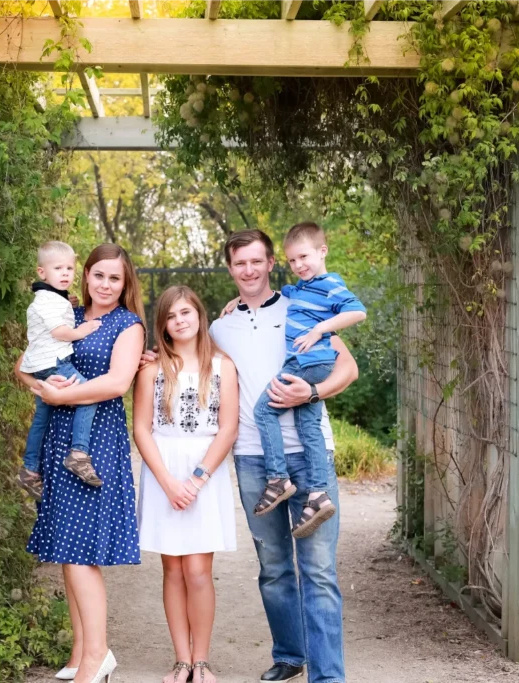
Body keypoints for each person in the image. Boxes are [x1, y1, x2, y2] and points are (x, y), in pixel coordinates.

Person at [148, 229, 356, 683]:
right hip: (252, 459)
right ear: (230, 268)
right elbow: (186, 357)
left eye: (257, 261)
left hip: (309, 453)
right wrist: (150, 359)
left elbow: (348, 367)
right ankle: (289, 654)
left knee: (318, 570)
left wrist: (314, 389)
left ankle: (328, 675)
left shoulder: (301, 308)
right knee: (274, 566)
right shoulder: (220, 328)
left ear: (269, 264)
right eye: (240, 263)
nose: (249, 270)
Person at [16, 243, 146, 683]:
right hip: (59, 440)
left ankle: (98, 656)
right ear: (85, 276)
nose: (106, 284)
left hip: (95, 445)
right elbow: (22, 365)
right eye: (99, 275)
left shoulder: (127, 324)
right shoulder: (65, 314)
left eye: (115, 278)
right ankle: (79, 652)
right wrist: (40, 385)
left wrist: (60, 395)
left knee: (78, 552)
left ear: (125, 284)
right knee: (65, 549)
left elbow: (116, 383)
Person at [133, 286, 239, 683]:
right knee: (173, 570)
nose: (179, 321)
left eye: (185, 313)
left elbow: (228, 429)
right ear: (162, 325)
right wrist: (167, 483)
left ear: (199, 315)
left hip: (204, 471)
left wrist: (196, 480)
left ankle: (202, 660)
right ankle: (181, 660)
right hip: (163, 470)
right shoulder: (152, 368)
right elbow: (141, 429)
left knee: (198, 571)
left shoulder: (223, 366)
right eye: (170, 316)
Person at [251, 222, 366, 539]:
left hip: (308, 362)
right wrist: (236, 302)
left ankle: (278, 478)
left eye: (304, 257)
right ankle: (318, 494)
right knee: (308, 427)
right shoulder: (300, 289)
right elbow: (272, 296)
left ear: (322, 251)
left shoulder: (330, 284)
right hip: (310, 364)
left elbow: (358, 312)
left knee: (263, 411)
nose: (299, 265)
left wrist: (320, 329)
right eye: (292, 261)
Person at [18, 241, 105, 500]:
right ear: (42, 273)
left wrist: (68, 301)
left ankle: (30, 470)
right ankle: (78, 453)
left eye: (70, 268)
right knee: (88, 395)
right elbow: (59, 331)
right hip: (55, 363)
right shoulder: (46, 301)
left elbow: (56, 315)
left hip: (42, 365)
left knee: (41, 420)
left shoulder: (52, 298)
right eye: (58, 268)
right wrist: (82, 330)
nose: (66, 273)